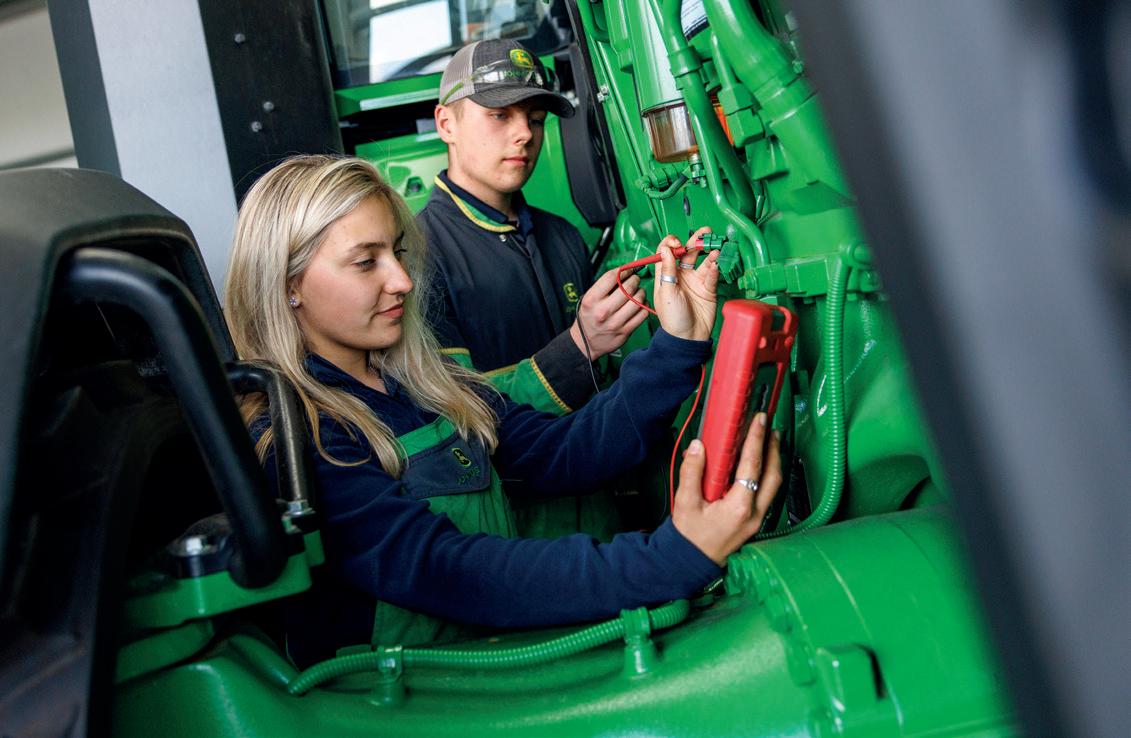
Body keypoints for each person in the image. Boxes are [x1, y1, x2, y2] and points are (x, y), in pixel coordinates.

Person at [224, 155, 781, 668]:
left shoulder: (426, 383)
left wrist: (678, 343)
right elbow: (450, 571)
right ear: (289, 285)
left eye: (397, 252)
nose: (402, 280)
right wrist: (667, 559)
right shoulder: (296, 436)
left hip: (490, 662)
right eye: (366, 262)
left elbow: (566, 452)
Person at [421, 38, 650, 537]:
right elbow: (454, 413)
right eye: (499, 115)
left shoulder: (563, 236)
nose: (524, 133)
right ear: (446, 124)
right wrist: (579, 348)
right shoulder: (417, 256)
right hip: (513, 533)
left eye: (536, 119)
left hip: (602, 515)